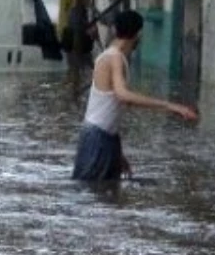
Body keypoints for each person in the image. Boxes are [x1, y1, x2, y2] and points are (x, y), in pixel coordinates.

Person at [71, 10, 199, 182]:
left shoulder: (113, 56)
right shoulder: (114, 58)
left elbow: (110, 106)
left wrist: (118, 154)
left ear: (116, 30)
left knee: (102, 194)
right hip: (98, 138)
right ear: (138, 34)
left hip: (105, 136)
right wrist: (171, 106)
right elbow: (123, 95)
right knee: (92, 191)